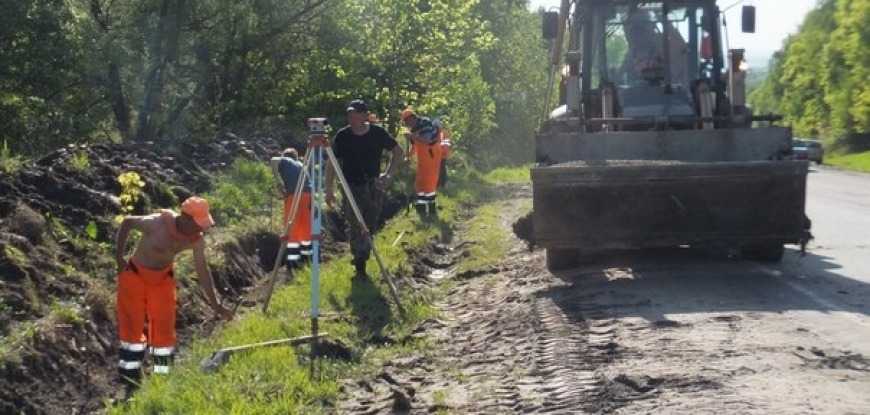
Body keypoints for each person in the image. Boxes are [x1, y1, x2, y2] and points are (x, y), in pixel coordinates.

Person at [114, 196, 232, 392]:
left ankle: (162, 374)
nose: (201, 230)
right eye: (197, 225)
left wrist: (216, 305)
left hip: (162, 280)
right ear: (184, 218)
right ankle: (130, 377)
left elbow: (203, 272)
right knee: (132, 325)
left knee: (163, 327)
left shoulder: (196, 240)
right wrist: (119, 257)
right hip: (135, 276)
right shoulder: (156, 223)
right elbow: (127, 222)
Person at [326, 99, 403, 277]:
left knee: (369, 224)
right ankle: (359, 262)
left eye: (355, 114)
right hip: (350, 185)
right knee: (355, 223)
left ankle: (364, 254)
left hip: (373, 185)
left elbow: (398, 152)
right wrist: (328, 189)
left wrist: (388, 174)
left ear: (364, 116)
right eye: (349, 114)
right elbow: (331, 162)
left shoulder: (377, 133)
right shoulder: (342, 136)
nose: (351, 118)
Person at [270, 148, 312, 269]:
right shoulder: (300, 165)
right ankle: (306, 257)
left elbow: (273, 160)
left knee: (291, 227)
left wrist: (278, 182)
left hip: (294, 196)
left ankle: (293, 260)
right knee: (304, 227)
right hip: (308, 196)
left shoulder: (286, 160)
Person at [401, 107, 443, 218]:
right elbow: (415, 145)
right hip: (423, 158)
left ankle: (428, 210)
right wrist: (408, 156)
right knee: (420, 183)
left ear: (411, 118)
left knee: (428, 183)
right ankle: (424, 209)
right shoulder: (414, 128)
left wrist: (411, 136)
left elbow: (427, 140)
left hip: (431, 155)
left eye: (406, 121)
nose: (406, 124)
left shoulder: (424, 123)